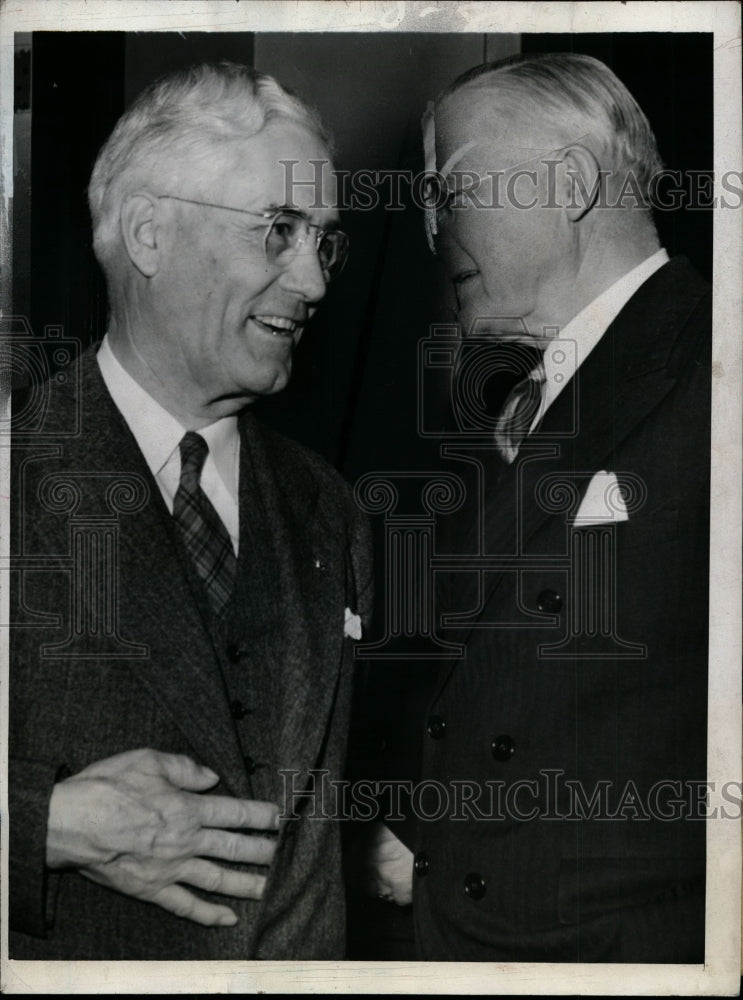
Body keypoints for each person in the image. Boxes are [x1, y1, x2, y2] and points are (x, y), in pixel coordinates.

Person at [9, 62, 372, 960]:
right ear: (148, 233)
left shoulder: (328, 506)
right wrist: (40, 824)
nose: (315, 283)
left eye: (325, 242)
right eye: (279, 232)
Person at [363, 53, 710, 962]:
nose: (432, 223)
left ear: (568, 183)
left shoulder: (717, 367)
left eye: (450, 187)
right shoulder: (517, 403)